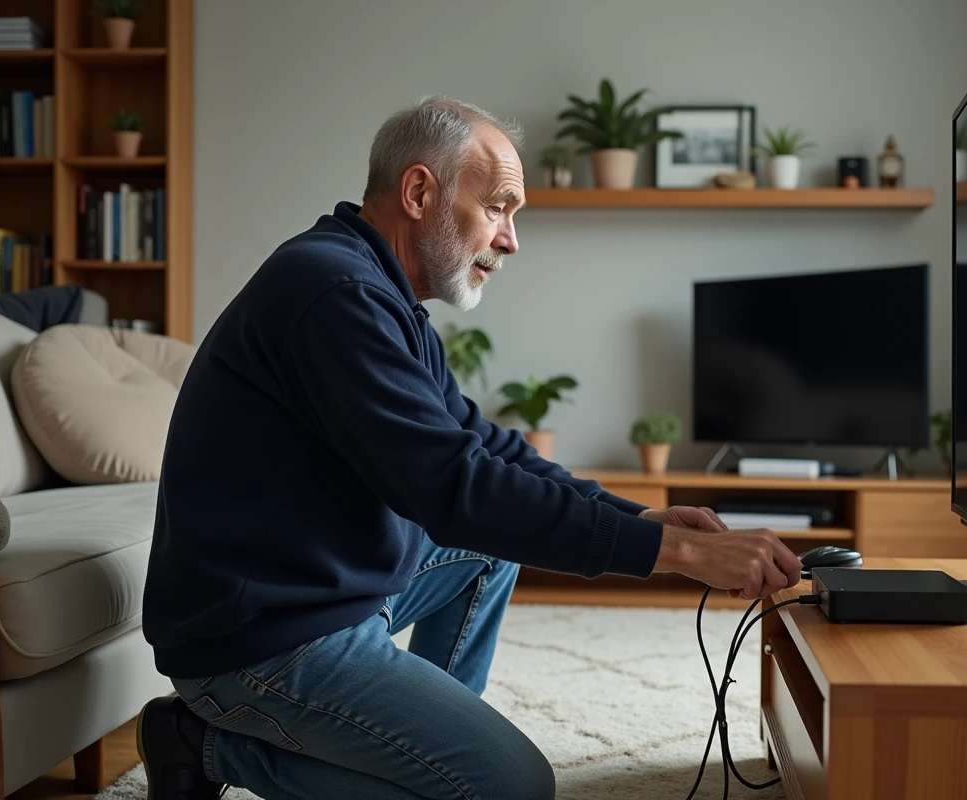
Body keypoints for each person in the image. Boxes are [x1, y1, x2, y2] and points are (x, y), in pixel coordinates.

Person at [136, 96, 803, 800]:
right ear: (419, 192)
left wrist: (638, 518)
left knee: (490, 550)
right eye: (498, 208)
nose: (510, 240)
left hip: (322, 588)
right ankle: (205, 747)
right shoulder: (334, 292)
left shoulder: (378, 292)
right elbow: (454, 489)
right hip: (260, 637)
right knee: (511, 789)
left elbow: (484, 446)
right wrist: (681, 554)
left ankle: (419, 754)